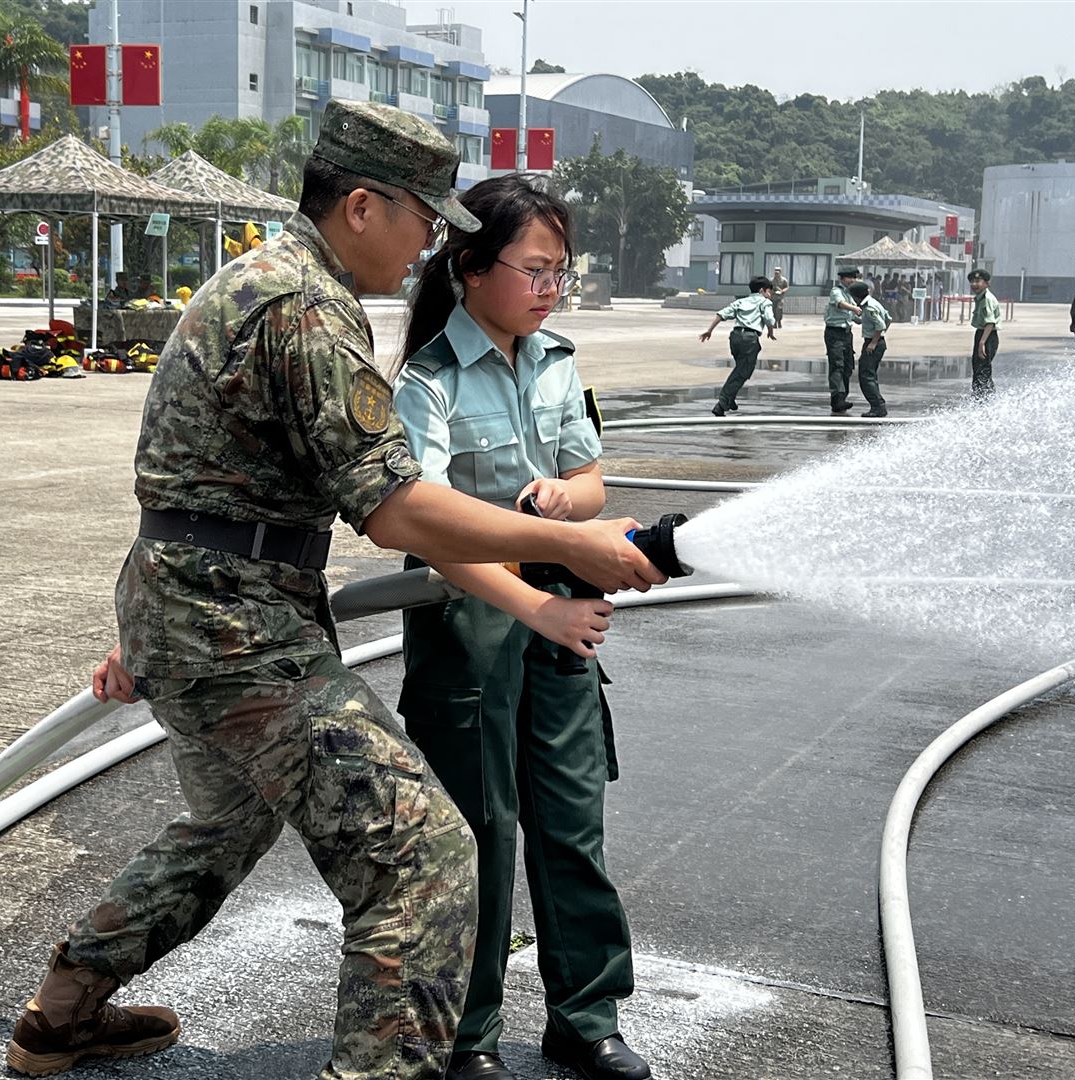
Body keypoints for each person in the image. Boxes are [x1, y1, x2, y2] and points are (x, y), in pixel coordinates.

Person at [5, 100, 665, 1080]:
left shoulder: (265, 285)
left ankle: (61, 1017)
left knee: (223, 829)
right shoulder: (304, 305)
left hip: (196, 605)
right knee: (423, 854)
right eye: (424, 220)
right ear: (362, 206)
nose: (429, 245)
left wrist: (151, 623)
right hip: (237, 629)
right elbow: (397, 509)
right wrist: (576, 545)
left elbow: (205, 487)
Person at [393, 175, 651, 1080]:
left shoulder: (555, 361)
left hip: (562, 621)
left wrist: (564, 504)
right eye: (534, 270)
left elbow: (590, 480)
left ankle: (586, 1017)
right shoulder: (426, 383)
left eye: (559, 272)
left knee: (572, 818)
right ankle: (468, 1035)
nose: (550, 289)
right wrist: (541, 596)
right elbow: (426, 527)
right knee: (481, 830)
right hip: (469, 623)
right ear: (471, 268)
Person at [699, 275, 776, 417]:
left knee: (741, 368)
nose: (770, 295)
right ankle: (722, 403)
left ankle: (731, 398)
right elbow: (769, 319)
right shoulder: (765, 302)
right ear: (762, 291)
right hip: (749, 339)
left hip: (735, 338)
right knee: (742, 372)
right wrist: (770, 332)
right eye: (769, 292)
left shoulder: (741, 301)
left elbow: (722, 314)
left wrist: (709, 330)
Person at [847, 280, 891, 417]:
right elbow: (888, 318)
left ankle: (878, 407)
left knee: (866, 376)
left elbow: (880, 325)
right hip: (877, 341)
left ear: (856, 296)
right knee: (870, 375)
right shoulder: (873, 303)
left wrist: (874, 342)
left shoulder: (870, 307)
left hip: (873, 343)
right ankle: (878, 406)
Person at [823, 266, 863, 413]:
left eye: (854, 278)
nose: (852, 280)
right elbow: (840, 304)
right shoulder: (836, 291)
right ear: (842, 278)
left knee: (848, 366)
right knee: (837, 365)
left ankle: (843, 397)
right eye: (849, 277)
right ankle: (837, 398)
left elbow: (853, 316)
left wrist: (865, 318)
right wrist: (854, 309)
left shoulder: (850, 295)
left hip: (847, 333)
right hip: (835, 332)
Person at [967, 268, 1001, 397]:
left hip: (987, 336)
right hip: (982, 334)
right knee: (978, 368)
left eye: (977, 281)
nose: (974, 284)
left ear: (987, 283)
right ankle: (981, 397)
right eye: (972, 282)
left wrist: (982, 343)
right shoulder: (980, 297)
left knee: (982, 370)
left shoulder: (987, 299)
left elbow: (990, 323)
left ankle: (984, 399)